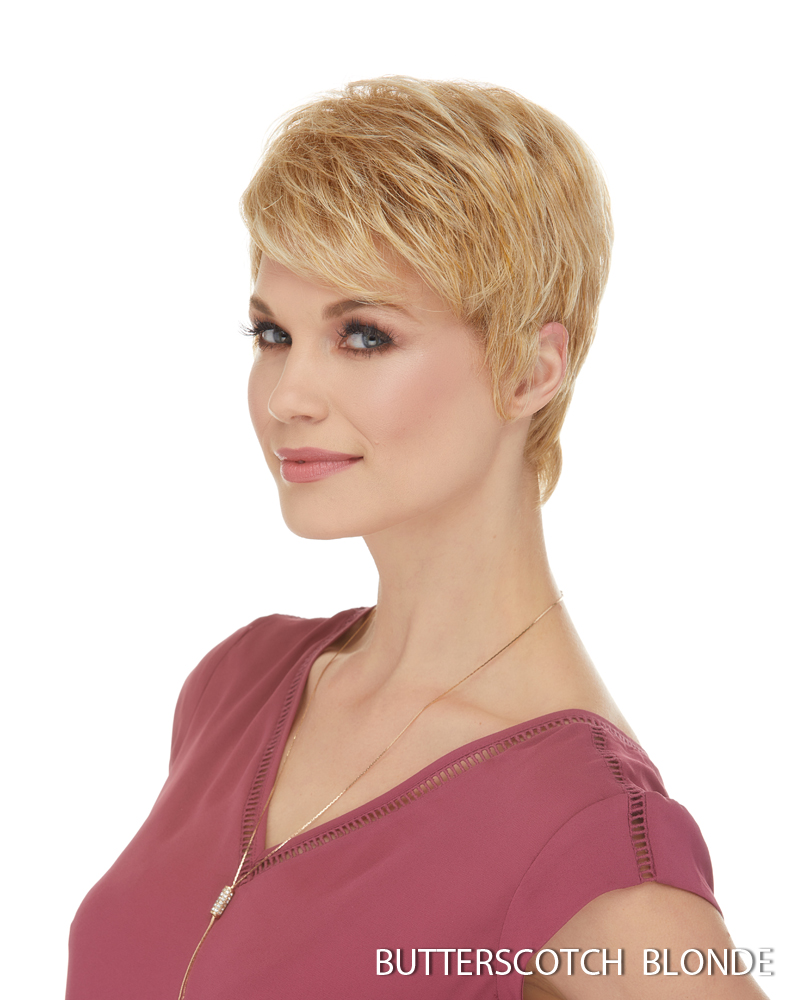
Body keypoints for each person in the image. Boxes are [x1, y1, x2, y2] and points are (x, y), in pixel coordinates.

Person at [66, 77, 769, 999]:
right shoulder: (236, 686)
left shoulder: (587, 833)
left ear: (530, 371)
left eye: (363, 336)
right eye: (272, 334)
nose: (287, 397)